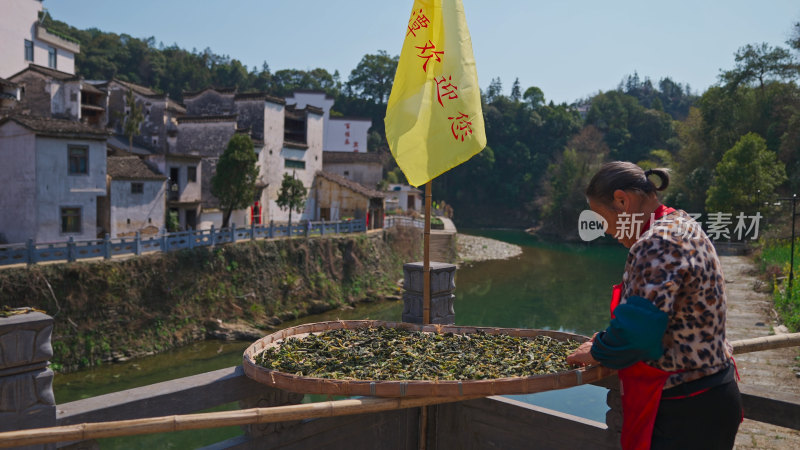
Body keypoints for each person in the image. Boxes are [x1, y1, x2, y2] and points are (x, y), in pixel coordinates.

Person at [566, 161, 742, 450]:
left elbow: (638, 335)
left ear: (622, 201)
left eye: (601, 218)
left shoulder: (657, 242)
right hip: (712, 393)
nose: (607, 231)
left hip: (687, 410)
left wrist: (598, 350)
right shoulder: (682, 224)